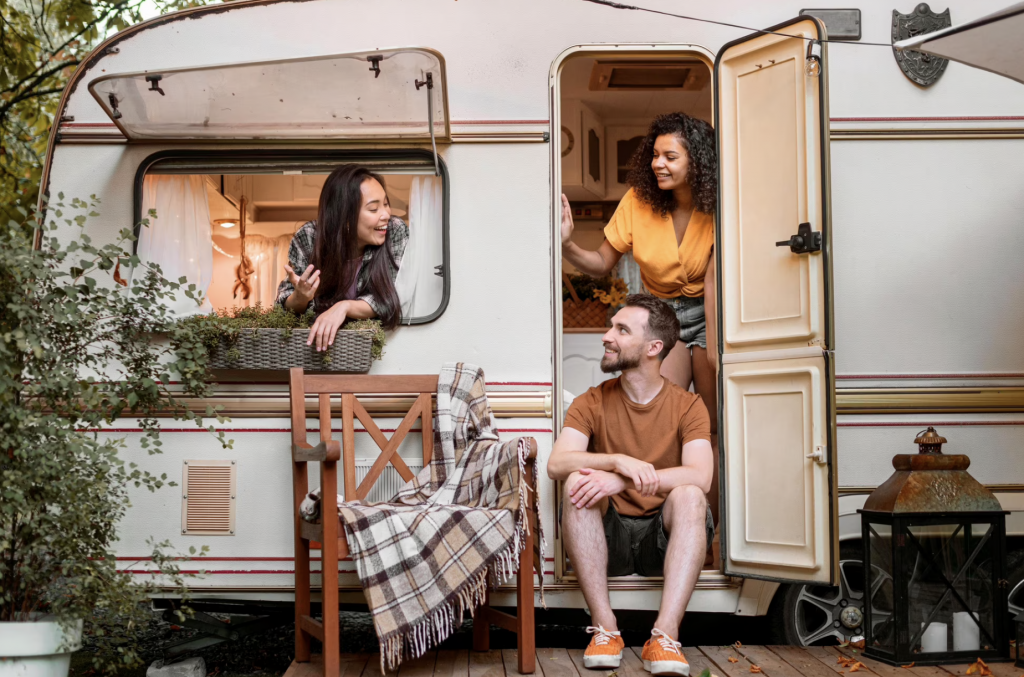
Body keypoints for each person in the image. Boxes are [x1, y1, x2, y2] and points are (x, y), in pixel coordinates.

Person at [560, 112, 720, 535]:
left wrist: (716, 344)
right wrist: (567, 244)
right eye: (655, 155)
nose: (658, 164)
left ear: (697, 163)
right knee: (661, 423)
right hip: (659, 316)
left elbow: (717, 281)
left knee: (712, 425)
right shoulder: (637, 200)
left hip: (710, 309)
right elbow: (599, 264)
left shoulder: (719, 203)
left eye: (671, 156)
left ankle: (714, 528)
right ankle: (652, 526)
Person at [547, 294, 713, 676]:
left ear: (654, 348)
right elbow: (558, 463)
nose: (607, 336)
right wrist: (613, 461)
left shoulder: (688, 405)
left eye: (621, 329)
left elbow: (700, 475)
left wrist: (619, 480)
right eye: (611, 326)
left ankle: (665, 636)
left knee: (689, 495)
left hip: (661, 539)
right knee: (577, 483)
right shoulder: (591, 401)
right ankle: (605, 629)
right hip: (611, 540)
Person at [276, 165, 408, 350]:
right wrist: (300, 297)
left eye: (386, 204)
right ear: (345, 218)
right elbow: (285, 307)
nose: (386, 214)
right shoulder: (309, 237)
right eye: (373, 209)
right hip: (319, 349)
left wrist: (344, 307)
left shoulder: (395, 230)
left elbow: (392, 297)